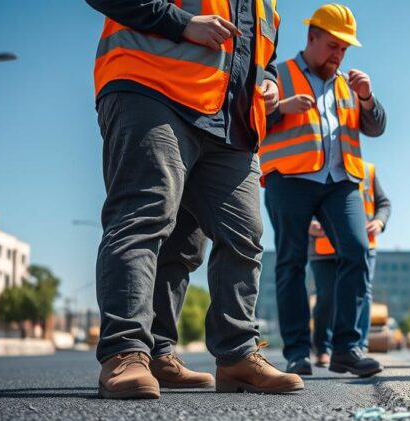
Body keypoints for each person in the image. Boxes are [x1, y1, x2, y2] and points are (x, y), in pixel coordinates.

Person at [89, 0, 304, 398]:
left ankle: (236, 356)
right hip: (152, 92)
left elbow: (260, 54)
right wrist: (181, 24)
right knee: (143, 216)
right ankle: (125, 352)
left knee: (240, 235)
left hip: (230, 121)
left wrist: (269, 80)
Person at [260, 4, 387, 378]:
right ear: (311, 37)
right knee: (291, 263)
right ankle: (298, 352)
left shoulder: (350, 83)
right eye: (333, 45)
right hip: (290, 178)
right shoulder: (277, 74)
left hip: (340, 181)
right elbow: (249, 120)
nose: (338, 55)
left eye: (344, 49)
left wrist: (367, 98)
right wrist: (281, 107)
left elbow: (376, 127)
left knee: (357, 251)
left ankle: (346, 348)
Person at [310, 162, 390, 365]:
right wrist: (309, 223)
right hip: (323, 247)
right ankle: (323, 347)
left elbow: (384, 204)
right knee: (327, 295)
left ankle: (358, 346)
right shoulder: (316, 164)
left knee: (362, 292)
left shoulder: (367, 170)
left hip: (363, 244)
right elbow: (304, 201)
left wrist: (379, 221)